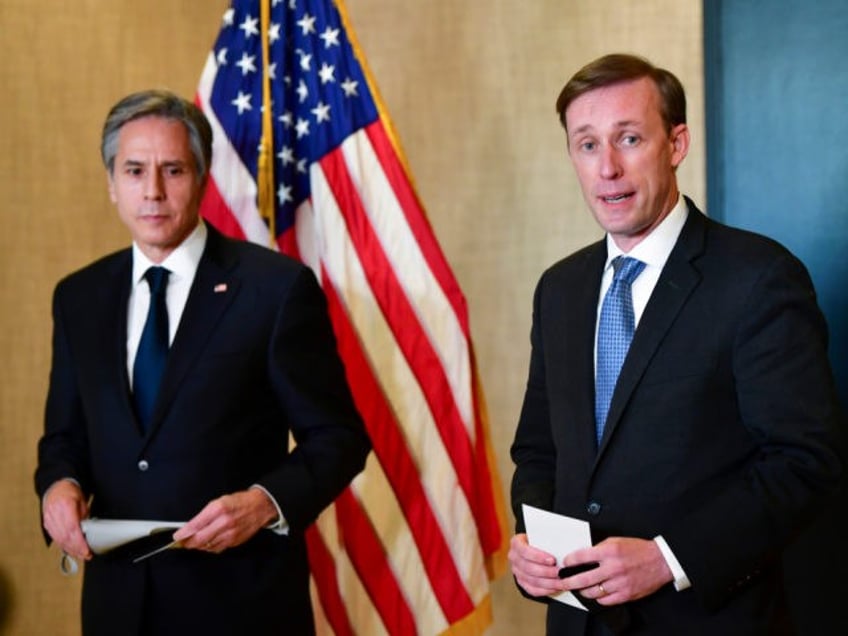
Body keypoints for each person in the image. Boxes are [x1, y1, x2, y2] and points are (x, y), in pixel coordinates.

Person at [508, 53, 845, 635]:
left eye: (630, 138)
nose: (607, 168)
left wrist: (669, 559)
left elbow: (804, 462)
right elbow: (539, 453)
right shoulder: (559, 289)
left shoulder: (758, 277)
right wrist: (533, 547)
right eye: (587, 145)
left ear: (677, 143)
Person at [34, 89, 371, 636]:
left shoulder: (274, 289)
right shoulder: (79, 298)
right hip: (118, 606)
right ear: (111, 184)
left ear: (203, 177)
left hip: (242, 603)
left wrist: (266, 503)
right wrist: (58, 486)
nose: (153, 191)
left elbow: (338, 437)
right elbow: (63, 438)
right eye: (134, 170)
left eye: (173, 170)